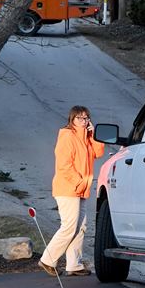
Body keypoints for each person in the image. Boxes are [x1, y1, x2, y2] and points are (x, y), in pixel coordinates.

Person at [38, 105, 105, 277]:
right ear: (72, 119)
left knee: (80, 227)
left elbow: (98, 153)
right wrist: (78, 181)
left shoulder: (87, 137)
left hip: (81, 189)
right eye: (80, 118)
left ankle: (74, 265)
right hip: (68, 188)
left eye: (86, 118)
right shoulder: (67, 136)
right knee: (69, 226)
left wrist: (93, 134)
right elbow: (64, 165)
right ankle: (47, 259)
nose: (84, 121)